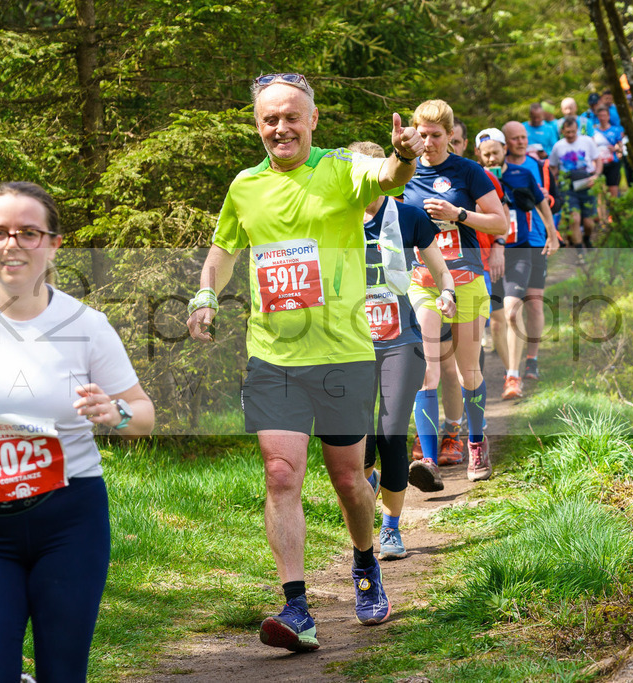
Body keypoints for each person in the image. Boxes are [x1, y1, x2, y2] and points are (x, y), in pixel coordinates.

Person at [186, 73, 425, 652]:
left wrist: (400, 156)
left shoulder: (343, 167)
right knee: (280, 473)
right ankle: (297, 608)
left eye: (291, 116)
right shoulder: (245, 185)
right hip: (272, 355)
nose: (280, 127)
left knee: (347, 478)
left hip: (342, 352)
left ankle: (366, 563)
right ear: (257, 124)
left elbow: (390, 178)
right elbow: (223, 246)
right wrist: (205, 293)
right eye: (269, 118)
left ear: (312, 120)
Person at [0, 181, 155, 683]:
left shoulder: (87, 325)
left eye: (29, 233)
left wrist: (116, 412)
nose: (12, 244)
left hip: (70, 520)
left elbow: (143, 413)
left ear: (54, 244)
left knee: (63, 673)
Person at [349, 140, 455, 561]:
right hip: (350, 344)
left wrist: (446, 293)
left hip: (400, 342)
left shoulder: (407, 215)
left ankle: (390, 529)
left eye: (371, 173)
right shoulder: (332, 222)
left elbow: (440, 269)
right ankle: (369, 483)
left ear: (384, 172)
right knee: (361, 445)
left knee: (392, 435)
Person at [402, 99, 506, 488]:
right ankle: (428, 460)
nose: (427, 143)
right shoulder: (403, 173)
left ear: (450, 136)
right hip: (423, 284)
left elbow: (500, 224)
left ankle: (476, 443)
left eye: (435, 135)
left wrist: (457, 214)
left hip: (467, 282)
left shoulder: (468, 171)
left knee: (469, 370)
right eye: (421, 134)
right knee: (426, 370)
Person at [487, 122, 558, 401]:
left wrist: (552, 235)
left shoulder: (525, 171)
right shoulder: (477, 177)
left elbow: (544, 203)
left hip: (523, 247)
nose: (492, 158)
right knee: (496, 321)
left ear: (504, 149)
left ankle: (524, 366)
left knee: (521, 308)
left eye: (496, 152)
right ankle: (509, 371)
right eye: (487, 154)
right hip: (491, 253)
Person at [549, 116, 602, 251]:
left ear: (577, 129)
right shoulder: (558, 146)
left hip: (586, 183)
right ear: (563, 131)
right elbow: (553, 168)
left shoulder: (587, 141)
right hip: (567, 186)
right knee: (574, 218)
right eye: (568, 132)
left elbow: (598, 160)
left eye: (573, 131)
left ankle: (587, 238)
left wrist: (596, 176)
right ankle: (579, 250)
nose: (571, 135)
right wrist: (552, 184)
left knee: (588, 223)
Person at [593, 105, 626, 203]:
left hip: (613, 164)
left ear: (608, 116)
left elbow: (621, 148)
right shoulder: (594, 131)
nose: (602, 118)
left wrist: (615, 148)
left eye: (604, 115)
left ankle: (614, 215)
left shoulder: (616, 130)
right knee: (601, 191)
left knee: (613, 190)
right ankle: (603, 216)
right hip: (599, 165)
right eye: (600, 116)